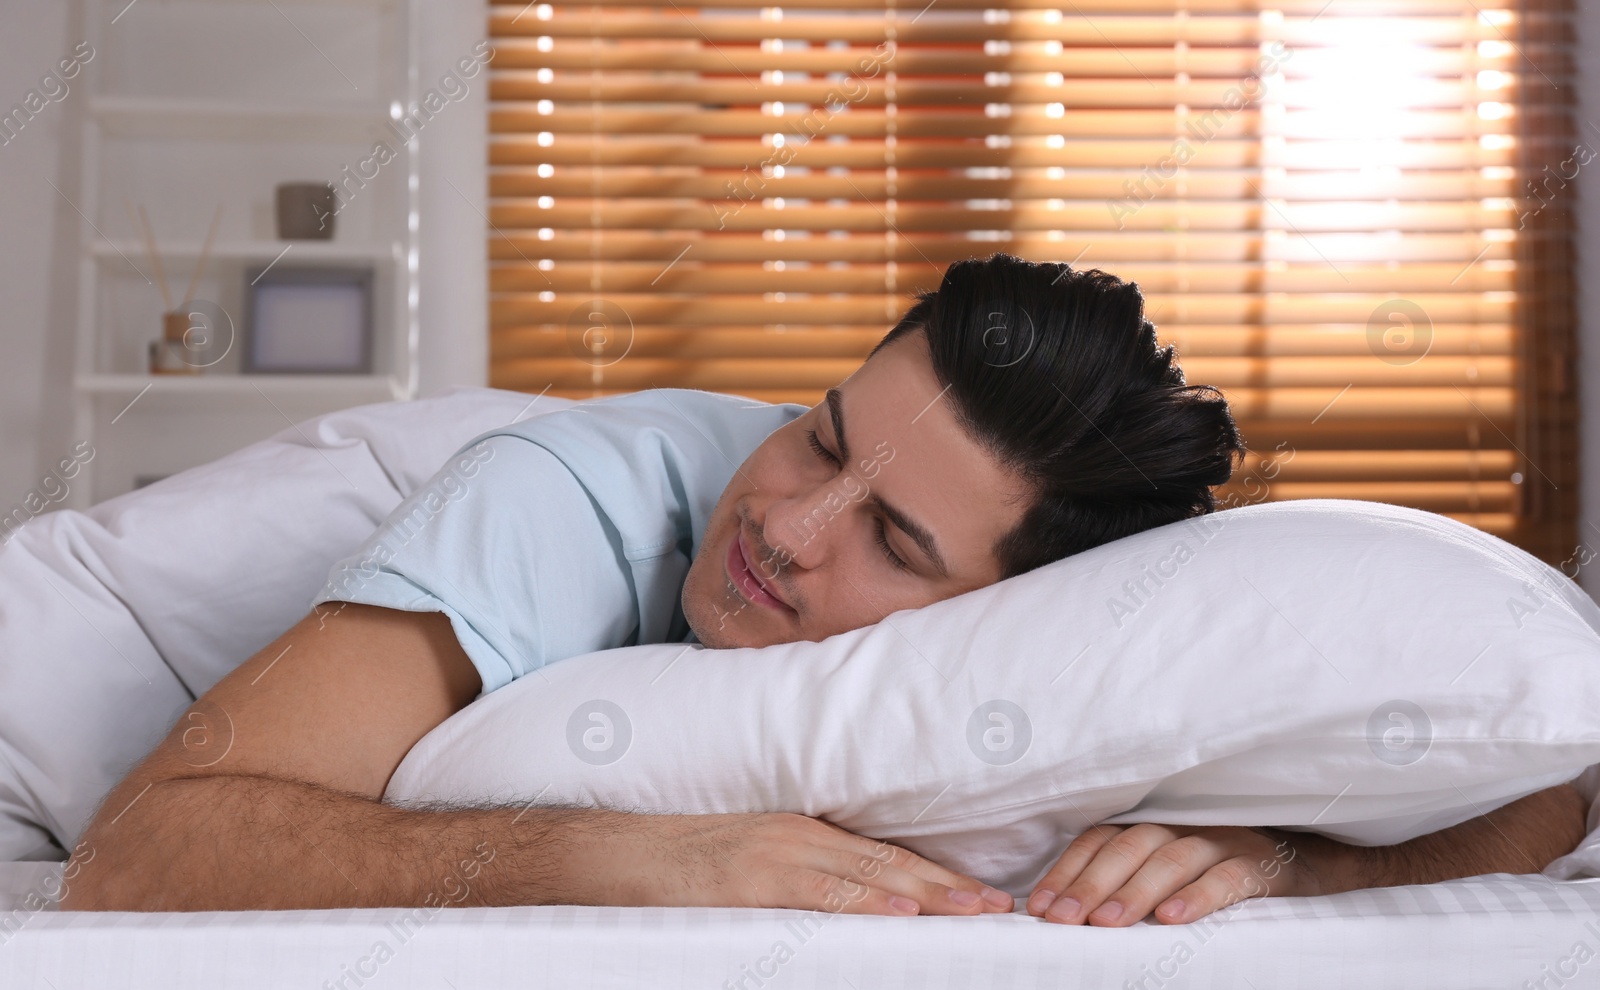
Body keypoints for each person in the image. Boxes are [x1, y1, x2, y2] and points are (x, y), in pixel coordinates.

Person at [67, 254, 1587, 919]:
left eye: (898, 543)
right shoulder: (565, 507)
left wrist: (1282, 857)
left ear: (1016, 606)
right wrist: (625, 858)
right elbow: (139, 851)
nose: (790, 527)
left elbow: (1552, 782)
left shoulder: (1076, 645)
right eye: (821, 437)